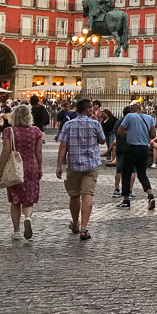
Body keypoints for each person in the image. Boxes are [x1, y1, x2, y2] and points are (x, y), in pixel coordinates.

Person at [56, 98, 105, 240]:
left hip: (74, 164)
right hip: (92, 164)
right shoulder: (95, 124)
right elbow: (102, 141)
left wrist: (59, 165)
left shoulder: (68, 125)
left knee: (74, 195)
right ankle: (84, 228)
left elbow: (63, 146)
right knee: (87, 194)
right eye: (90, 108)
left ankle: (76, 223)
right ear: (87, 109)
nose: (92, 110)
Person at [0, 104, 44, 241]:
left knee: (15, 199)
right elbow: (39, 152)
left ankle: (16, 231)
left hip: (15, 167)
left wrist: (0, 170)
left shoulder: (9, 131)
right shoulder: (36, 131)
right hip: (31, 166)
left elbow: (6, 151)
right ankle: (28, 218)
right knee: (28, 198)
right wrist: (39, 168)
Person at [116, 102, 157, 209]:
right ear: (141, 109)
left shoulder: (129, 116)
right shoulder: (149, 118)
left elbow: (120, 132)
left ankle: (126, 199)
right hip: (144, 148)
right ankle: (150, 195)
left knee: (126, 174)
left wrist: (129, 134)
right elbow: (153, 135)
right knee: (142, 174)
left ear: (131, 110)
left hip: (132, 147)